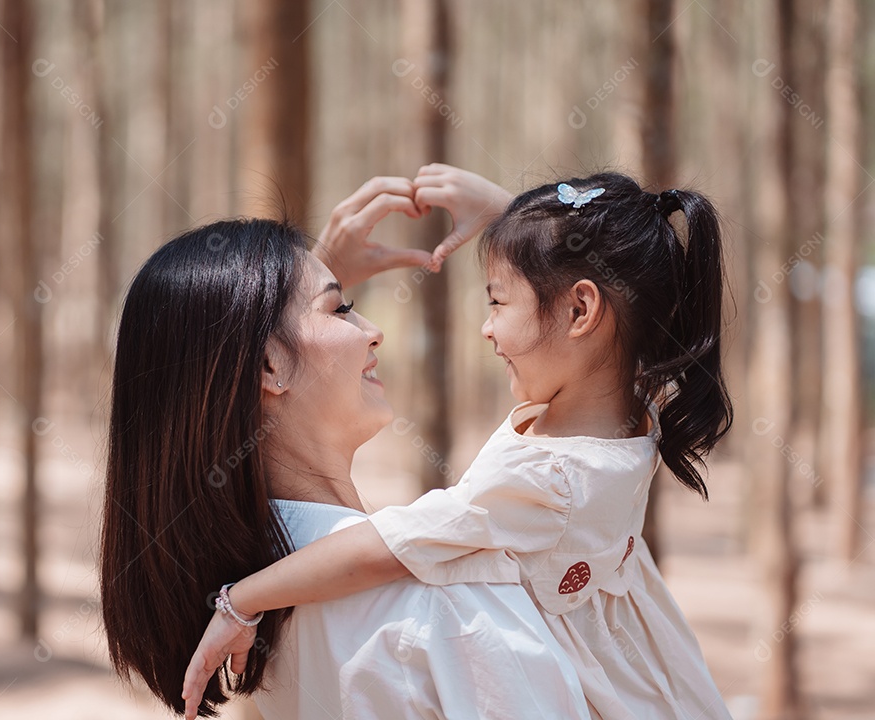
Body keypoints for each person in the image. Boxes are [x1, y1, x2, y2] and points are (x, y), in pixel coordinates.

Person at [183, 170, 735, 720]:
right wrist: (514, 219)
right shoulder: (625, 419)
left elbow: (392, 544)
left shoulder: (545, 485)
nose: (486, 329)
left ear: (579, 311)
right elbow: (608, 303)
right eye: (341, 309)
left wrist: (245, 599)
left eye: (497, 302)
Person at [100, 173, 591, 719]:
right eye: (341, 309)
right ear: (269, 365)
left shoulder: (251, 601)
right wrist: (521, 225)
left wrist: (310, 285)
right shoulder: (440, 594)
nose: (373, 330)